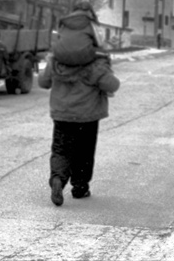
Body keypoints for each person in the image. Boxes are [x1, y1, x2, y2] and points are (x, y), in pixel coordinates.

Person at [38, 24, 120, 207]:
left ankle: (58, 178)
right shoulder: (95, 61)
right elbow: (112, 85)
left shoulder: (56, 59)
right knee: (84, 152)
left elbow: (43, 82)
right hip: (87, 116)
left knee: (61, 149)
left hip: (62, 115)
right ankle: (80, 187)